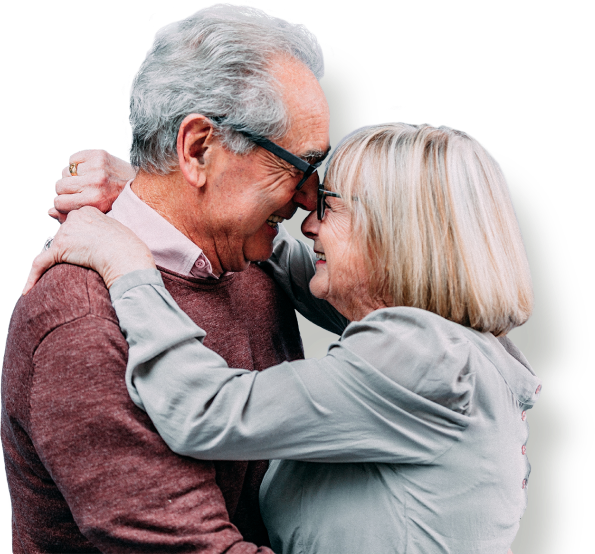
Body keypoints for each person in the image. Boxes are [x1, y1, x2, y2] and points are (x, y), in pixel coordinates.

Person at [24, 121, 538, 554]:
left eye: (329, 206)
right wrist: (159, 192)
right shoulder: (461, 350)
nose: (309, 223)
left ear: (394, 232)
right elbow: (293, 263)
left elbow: (203, 411)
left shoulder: (421, 357)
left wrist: (128, 263)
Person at [1, 4, 333, 552]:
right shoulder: (81, 323)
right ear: (198, 148)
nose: (307, 196)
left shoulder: (247, 257)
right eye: (298, 165)